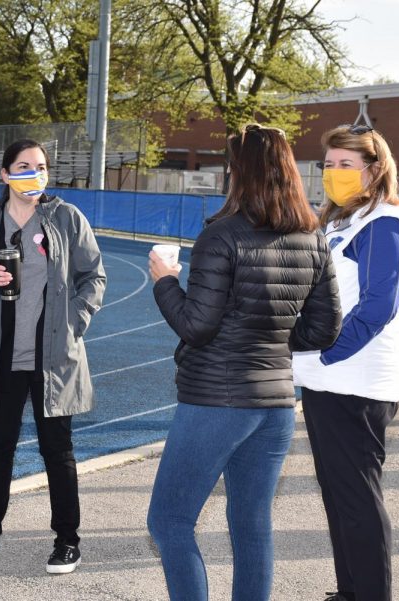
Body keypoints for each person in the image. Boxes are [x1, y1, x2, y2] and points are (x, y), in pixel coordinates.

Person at [147, 123, 342, 601]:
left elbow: (197, 326)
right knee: (252, 525)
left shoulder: (221, 236)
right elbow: (323, 329)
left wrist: (164, 281)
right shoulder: (311, 236)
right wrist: (267, 336)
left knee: (169, 520)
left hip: (216, 400)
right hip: (275, 403)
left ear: (239, 172)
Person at [0, 139, 106, 574]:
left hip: (54, 355)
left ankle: (67, 540)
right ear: (4, 174)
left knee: (58, 450)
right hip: (3, 354)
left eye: (40, 166)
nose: (33, 173)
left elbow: (94, 277)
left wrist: (73, 324)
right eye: (22, 166)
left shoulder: (67, 218)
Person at [293, 124, 399, 601]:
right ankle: (350, 592)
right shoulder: (339, 222)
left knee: (358, 499)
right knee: (339, 496)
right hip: (328, 380)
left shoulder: (384, 222)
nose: (334, 173)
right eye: (328, 165)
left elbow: (377, 306)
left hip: (356, 382)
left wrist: (327, 352)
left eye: (346, 164)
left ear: (375, 168)